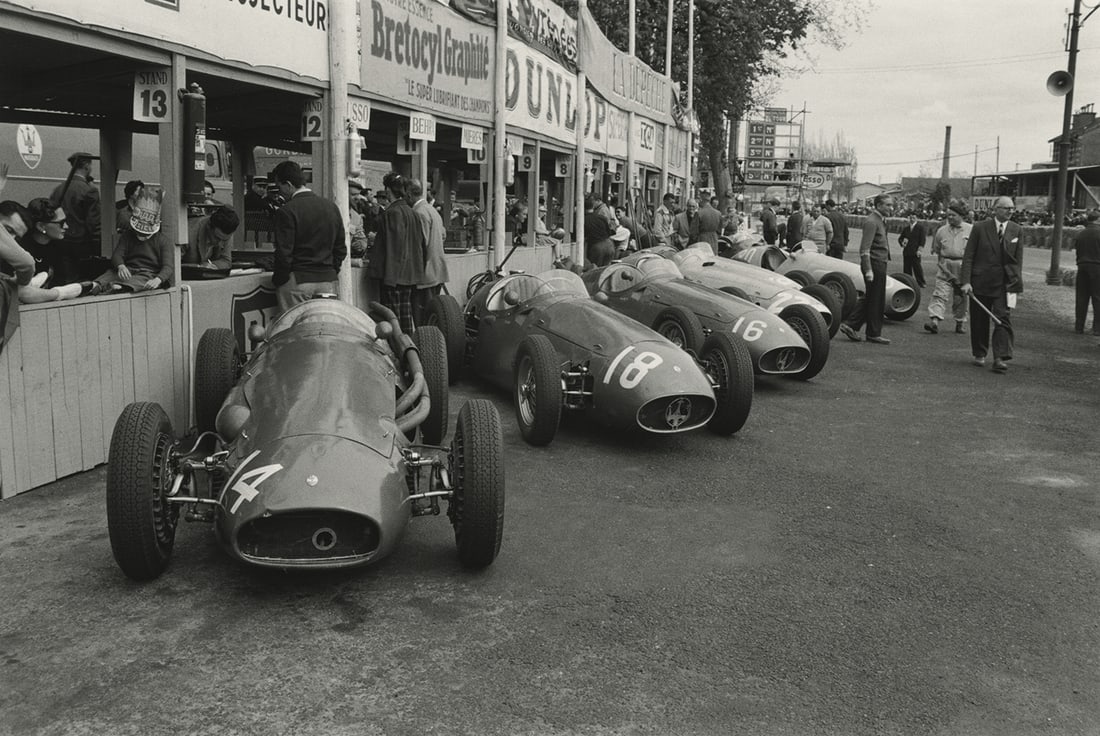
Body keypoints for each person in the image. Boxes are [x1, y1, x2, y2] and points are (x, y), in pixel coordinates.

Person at [270, 160, 346, 315]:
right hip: (329, 281)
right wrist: (331, 270)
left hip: (298, 281)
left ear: (288, 185)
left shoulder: (287, 211)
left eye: (279, 187)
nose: (279, 192)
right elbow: (340, 249)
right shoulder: (331, 207)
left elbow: (284, 254)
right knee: (327, 326)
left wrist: (280, 280)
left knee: (295, 327)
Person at [960, 196, 1023, 373]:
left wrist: (1016, 285)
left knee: (1002, 318)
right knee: (979, 319)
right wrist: (966, 281)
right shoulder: (980, 227)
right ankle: (979, 353)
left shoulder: (1017, 230)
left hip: (1004, 283)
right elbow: (969, 256)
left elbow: (1018, 260)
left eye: (1012, 208)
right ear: (995, 209)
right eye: (1006, 208)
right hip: (980, 281)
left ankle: (1000, 357)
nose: (1010, 211)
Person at [839, 193, 895, 344]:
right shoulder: (872, 222)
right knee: (876, 299)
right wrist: (869, 269)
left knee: (872, 297)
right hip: (874, 264)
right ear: (878, 205)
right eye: (888, 205)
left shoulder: (879, 220)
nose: (891, 208)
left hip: (879, 263)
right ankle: (871, 332)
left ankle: (852, 325)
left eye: (891, 205)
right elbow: (864, 248)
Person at [93, 187, 173, 292]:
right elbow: (117, 255)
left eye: (145, 234)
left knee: (137, 282)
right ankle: (95, 286)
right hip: (129, 269)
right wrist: (121, 266)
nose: (141, 235)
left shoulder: (163, 241)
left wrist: (158, 279)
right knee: (107, 276)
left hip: (148, 273)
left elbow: (168, 266)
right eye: (138, 232)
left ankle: (117, 287)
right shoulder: (127, 235)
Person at [374, 172, 424, 331]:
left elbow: (395, 246)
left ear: (388, 190)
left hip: (394, 275)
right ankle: (407, 344)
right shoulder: (412, 212)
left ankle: (398, 346)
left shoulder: (392, 213)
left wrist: (390, 278)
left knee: (392, 319)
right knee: (405, 316)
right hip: (409, 274)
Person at [17, 198, 93, 301]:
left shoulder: (62, 247)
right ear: (41, 226)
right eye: (61, 223)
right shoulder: (21, 248)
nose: (66, 226)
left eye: (66, 221)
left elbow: (64, 281)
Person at [924, 203, 971, 335]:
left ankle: (960, 322)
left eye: (953, 215)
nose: (950, 217)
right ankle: (934, 321)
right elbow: (937, 249)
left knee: (961, 296)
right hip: (945, 266)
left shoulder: (970, 230)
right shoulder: (942, 231)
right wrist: (942, 265)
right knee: (939, 293)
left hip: (962, 266)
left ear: (961, 216)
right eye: (948, 215)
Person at [408, 178, 448, 324]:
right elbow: (443, 235)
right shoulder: (432, 210)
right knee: (432, 314)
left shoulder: (419, 212)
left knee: (422, 316)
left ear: (408, 194)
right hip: (436, 269)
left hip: (425, 272)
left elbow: (420, 245)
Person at [50, 152, 101, 261]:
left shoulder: (58, 189)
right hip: (81, 244)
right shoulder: (90, 190)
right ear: (87, 166)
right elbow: (93, 222)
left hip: (60, 242)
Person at [184, 205, 238, 270]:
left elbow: (226, 261)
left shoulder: (225, 231)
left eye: (224, 240)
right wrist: (199, 267)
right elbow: (174, 265)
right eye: (217, 238)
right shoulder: (187, 232)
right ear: (209, 226)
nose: (220, 244)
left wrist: (212, 266)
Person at [1073, 209, 1100, 335]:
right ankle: (1097, 328)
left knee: (1081, 297)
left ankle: (1079, 326)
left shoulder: (1080, 234)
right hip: (1097, 267)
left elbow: (1077, 250)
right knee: (1097, 298)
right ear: (1098, 220)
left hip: (1082, 266)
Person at [584, 194, 615, 266]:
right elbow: (608, 231)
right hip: (609, 245)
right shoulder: (601, 217)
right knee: (606, 269)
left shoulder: (583, 220)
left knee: (595, 269)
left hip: (597, 247)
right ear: (592, 206)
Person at [899, 213, 927, 288]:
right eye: (911, 218)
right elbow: (900, 238)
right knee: (907, 268)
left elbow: (922, 240)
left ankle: (921, 282)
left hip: (916, 252)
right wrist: (902, 243)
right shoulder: (906, 229)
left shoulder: (920, 228)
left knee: (917, 268)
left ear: (916, 218)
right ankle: (908, 282)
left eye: (913, 218)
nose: (912, 219)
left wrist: (920, 250)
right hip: (907, 252)